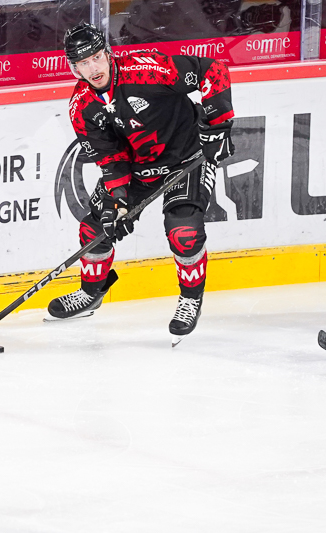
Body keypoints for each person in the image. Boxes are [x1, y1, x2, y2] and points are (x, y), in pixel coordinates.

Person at [47, 23, 235, 343]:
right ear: (73, 68)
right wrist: (117, 200)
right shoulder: (82, 107)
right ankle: (91, 293)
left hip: (185, 161)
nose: (92, 68)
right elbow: (111, 159)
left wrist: (218, 126)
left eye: (95, 58)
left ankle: (190, 299)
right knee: (95, 228)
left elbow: (213, 70)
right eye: (82, 63)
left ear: (107, 53)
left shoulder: (145, 69)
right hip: (138, 172)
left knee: (183, 231)